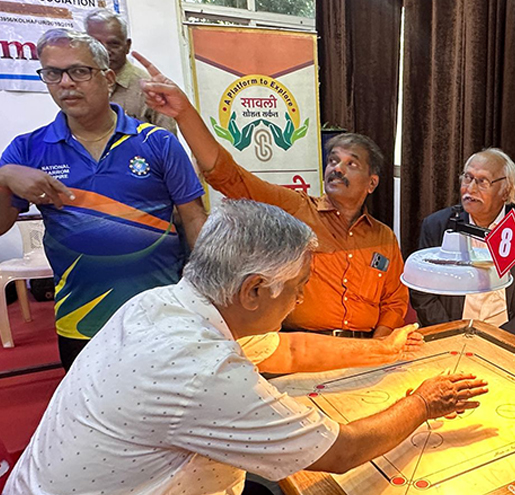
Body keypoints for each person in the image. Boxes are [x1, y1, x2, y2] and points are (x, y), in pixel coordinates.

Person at [0, 200, 488, 495]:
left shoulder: (162, 303)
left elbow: (290, 350)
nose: (299, 302)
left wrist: (384, 349)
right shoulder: (202, 369)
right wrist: (423, 403)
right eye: (298, 290)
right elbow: (341, 452)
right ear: (254, 290)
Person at [133, 52, 408, 339]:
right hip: (300, 348)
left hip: (367, 348)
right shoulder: (295, 210)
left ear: (372, 183)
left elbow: (395, 302)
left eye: (351, 164)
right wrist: (184, 113)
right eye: (333, 161)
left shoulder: (384, 237)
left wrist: (378, 347)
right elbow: (230, 176)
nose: (337, 169)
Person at [0, 29, 206, 370]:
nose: (66, 83)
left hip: (162, 312)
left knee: (174, 400)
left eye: (79, 71)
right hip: (81, 319)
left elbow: (194, 216)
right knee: (89, 404)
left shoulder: (156, 143)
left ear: (108, 78)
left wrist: (206, 289)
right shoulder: (27, 149)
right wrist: (4, 177)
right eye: (52, 73)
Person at [411, 148, 515, 346]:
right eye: (467, 178)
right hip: (451, 337)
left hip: (513, 340)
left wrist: (502, 340)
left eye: (482, 181)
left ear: (505, 190)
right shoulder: (438, 225)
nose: (470, 189)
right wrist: (453, 333)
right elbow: (421, 291)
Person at [84, 9, 177, 133]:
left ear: (127, 46)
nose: (105, 51)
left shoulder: (149, 89)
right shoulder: (77, 84)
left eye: (113, 44)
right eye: (96, 44)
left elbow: (168, 140)